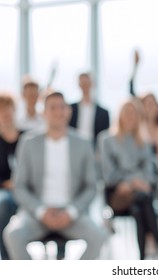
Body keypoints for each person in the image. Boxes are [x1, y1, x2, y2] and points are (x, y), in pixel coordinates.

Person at [3, 92, 108, 260]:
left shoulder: (83, 143)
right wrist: (41, 210)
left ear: (69, 111)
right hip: (37, 213)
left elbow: (91, 186)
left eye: (62, 107)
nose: (58, 112)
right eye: (53, 108)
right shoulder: (28, 142)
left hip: (72, 213)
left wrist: (72, 211)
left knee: (99, 235)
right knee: (12, 234)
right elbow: (20, 185)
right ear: (44, 112)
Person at [98, 98, 158, 260]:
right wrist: (134, 182)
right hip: (117, 195)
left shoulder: (144, 143)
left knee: (138, 209)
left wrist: (135, 183)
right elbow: (109, 174)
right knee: (144, 199)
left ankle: (141, 259)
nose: (130, 117)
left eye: (134, 113)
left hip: (138, 196)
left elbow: (150, 174)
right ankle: (156, 245)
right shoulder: (106, 140)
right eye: (127, 113)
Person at [0, 93, 23, 260]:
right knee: (3, 204)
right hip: (6, 191)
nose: (6, 115)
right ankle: (8, 261)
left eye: (8, 110)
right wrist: (7, 184)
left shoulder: (27, 138)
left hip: (28, 188)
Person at [69, 72, 110, 146]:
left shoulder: (103, 113)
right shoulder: (70, 109)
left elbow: (105, 135)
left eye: (87, 83)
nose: (85, 86)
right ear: (79, 85)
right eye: (83, 83)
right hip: (74, 147)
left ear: (92, 84)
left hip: (94, 149)